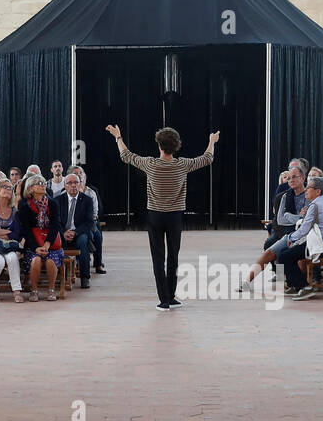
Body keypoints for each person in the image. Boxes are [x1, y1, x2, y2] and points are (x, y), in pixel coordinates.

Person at [107, 122, 219, 311]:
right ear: (176, 146)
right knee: (173, 257)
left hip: (155, 216)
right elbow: (207, 158)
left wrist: (118, 137)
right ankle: (171, 297)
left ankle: (164, 300)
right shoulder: (182, 165)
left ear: (159, 146)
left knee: (158, 258)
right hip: (175, 217)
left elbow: (126, 155)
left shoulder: (151, 164)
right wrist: (211, 141)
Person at [278, 175, 323, 300]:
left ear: (318, 191)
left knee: (284, 256)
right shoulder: (322, 203)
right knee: (285, 253)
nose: (305, 190)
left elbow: (304, 229)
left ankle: (304, 288)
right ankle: (295, 285)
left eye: (309, 187)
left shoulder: (315, 205)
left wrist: (290, 238)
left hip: (321, 247)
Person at [18, 173, 63, 301]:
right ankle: (34, 290)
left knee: (50, 260)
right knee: (36, 260)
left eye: (43, 183)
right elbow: (25, 229)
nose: (43, 186)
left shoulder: (53, 203)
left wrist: (47, 244)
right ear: (31, 188)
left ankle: (51, 289)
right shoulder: (24, 205)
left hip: (51, 242)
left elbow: (55, 225)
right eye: (39, 184)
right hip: (33, 243)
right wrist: (36, 247)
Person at [54, 171, 95, 288]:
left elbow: (89, 222)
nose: (73, 185)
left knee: (83, 241)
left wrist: (75, 232)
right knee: (55, 239)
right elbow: (55, 221)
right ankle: (59, 275)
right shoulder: (58, 200)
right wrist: (63, 232)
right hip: (63, 232)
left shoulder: (87, 200)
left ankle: (85, 277)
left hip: (79, 233)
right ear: (65, 185)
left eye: (76, 182)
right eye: (70, 183)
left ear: (80, 183)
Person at [77, 167, 106, 274]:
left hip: (90, 221)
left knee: (97, 236)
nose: (79, 176)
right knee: (86, 236)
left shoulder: (91, 192)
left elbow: (96, 212)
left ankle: (98, 263)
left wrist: (89, 220)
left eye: (81, 173)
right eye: (76, 174)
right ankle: (82, 259)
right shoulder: (66, 192)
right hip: (75, 224)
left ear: (85, 177)